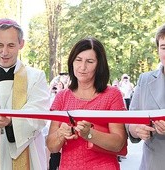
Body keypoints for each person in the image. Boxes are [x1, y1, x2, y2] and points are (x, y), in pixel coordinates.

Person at [46, 37, 127, 170]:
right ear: (72, 62)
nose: (82, 67)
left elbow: (118, 143)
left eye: (90, 61)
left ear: (99, 65)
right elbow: (52, 146)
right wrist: (61, 133)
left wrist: (89, 134)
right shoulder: (62, 96)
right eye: (78, 60)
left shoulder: (112, 95)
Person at [0, 18, 50, 170]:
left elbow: (39, 114)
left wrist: (11, 121)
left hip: (27, 152)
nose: (4, 52)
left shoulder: (36, 76)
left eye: (11, 45)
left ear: (21, 44)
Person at [126, 24, 165, 170]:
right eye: (164, 47)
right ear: (158, 50)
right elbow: (130, 121)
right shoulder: (145, 80)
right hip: (153, 164)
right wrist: (137, 129)